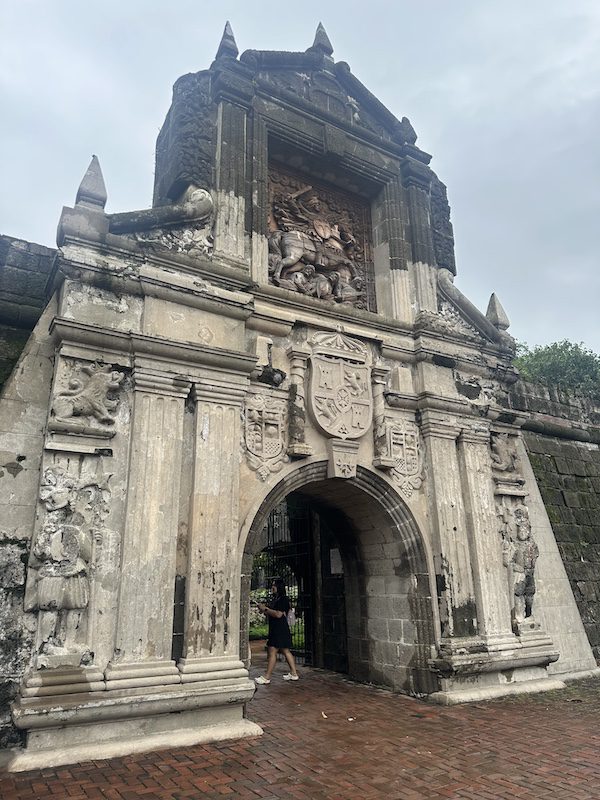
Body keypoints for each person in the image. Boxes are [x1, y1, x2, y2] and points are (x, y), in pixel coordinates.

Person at [254, 578, 299, 685]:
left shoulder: (283, 599)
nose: (272, 587)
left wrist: (265, 609)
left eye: (274, 585)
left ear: (279, 587)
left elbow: (278, 614)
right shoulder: (276, 599)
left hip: (279, 628)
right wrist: (263, 609)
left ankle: (267, 677)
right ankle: (293, 673)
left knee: (272, 651)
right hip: (277, 628)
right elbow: (271, 612)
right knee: (285, 650)